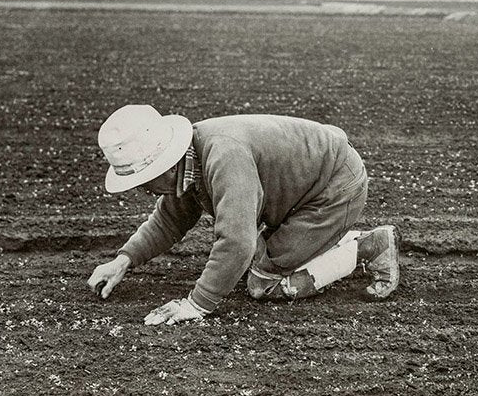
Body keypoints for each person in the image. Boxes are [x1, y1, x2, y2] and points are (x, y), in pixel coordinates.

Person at [86, 105, 399, 325]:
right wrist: (123, 260)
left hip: (334, 190)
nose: (144, 190)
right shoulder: (191, 159)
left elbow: (237, 241)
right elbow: (170, 219)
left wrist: (197, 304)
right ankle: (322, 242)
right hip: (308, 189)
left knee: (263, 284)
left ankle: (370, 246)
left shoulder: (223, 157)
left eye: (144, 180)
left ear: (166, 164)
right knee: (251, 258)